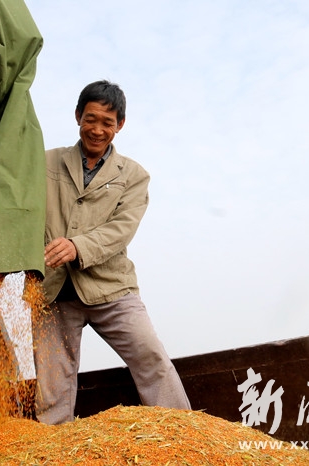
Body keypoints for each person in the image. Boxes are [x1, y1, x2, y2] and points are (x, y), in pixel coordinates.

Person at [34, 80, 192, 424]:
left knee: (151, 357)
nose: (97, 129)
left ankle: (183, 431)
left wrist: (77, 246)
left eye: (107, 122)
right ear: (78, 116)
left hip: (112, 288)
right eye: (90, 119)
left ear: (120, 124)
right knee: (51, 383)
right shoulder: (44, 162)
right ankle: (51, 444)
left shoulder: (134, 176)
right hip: (54, 290)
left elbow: (122, 229)